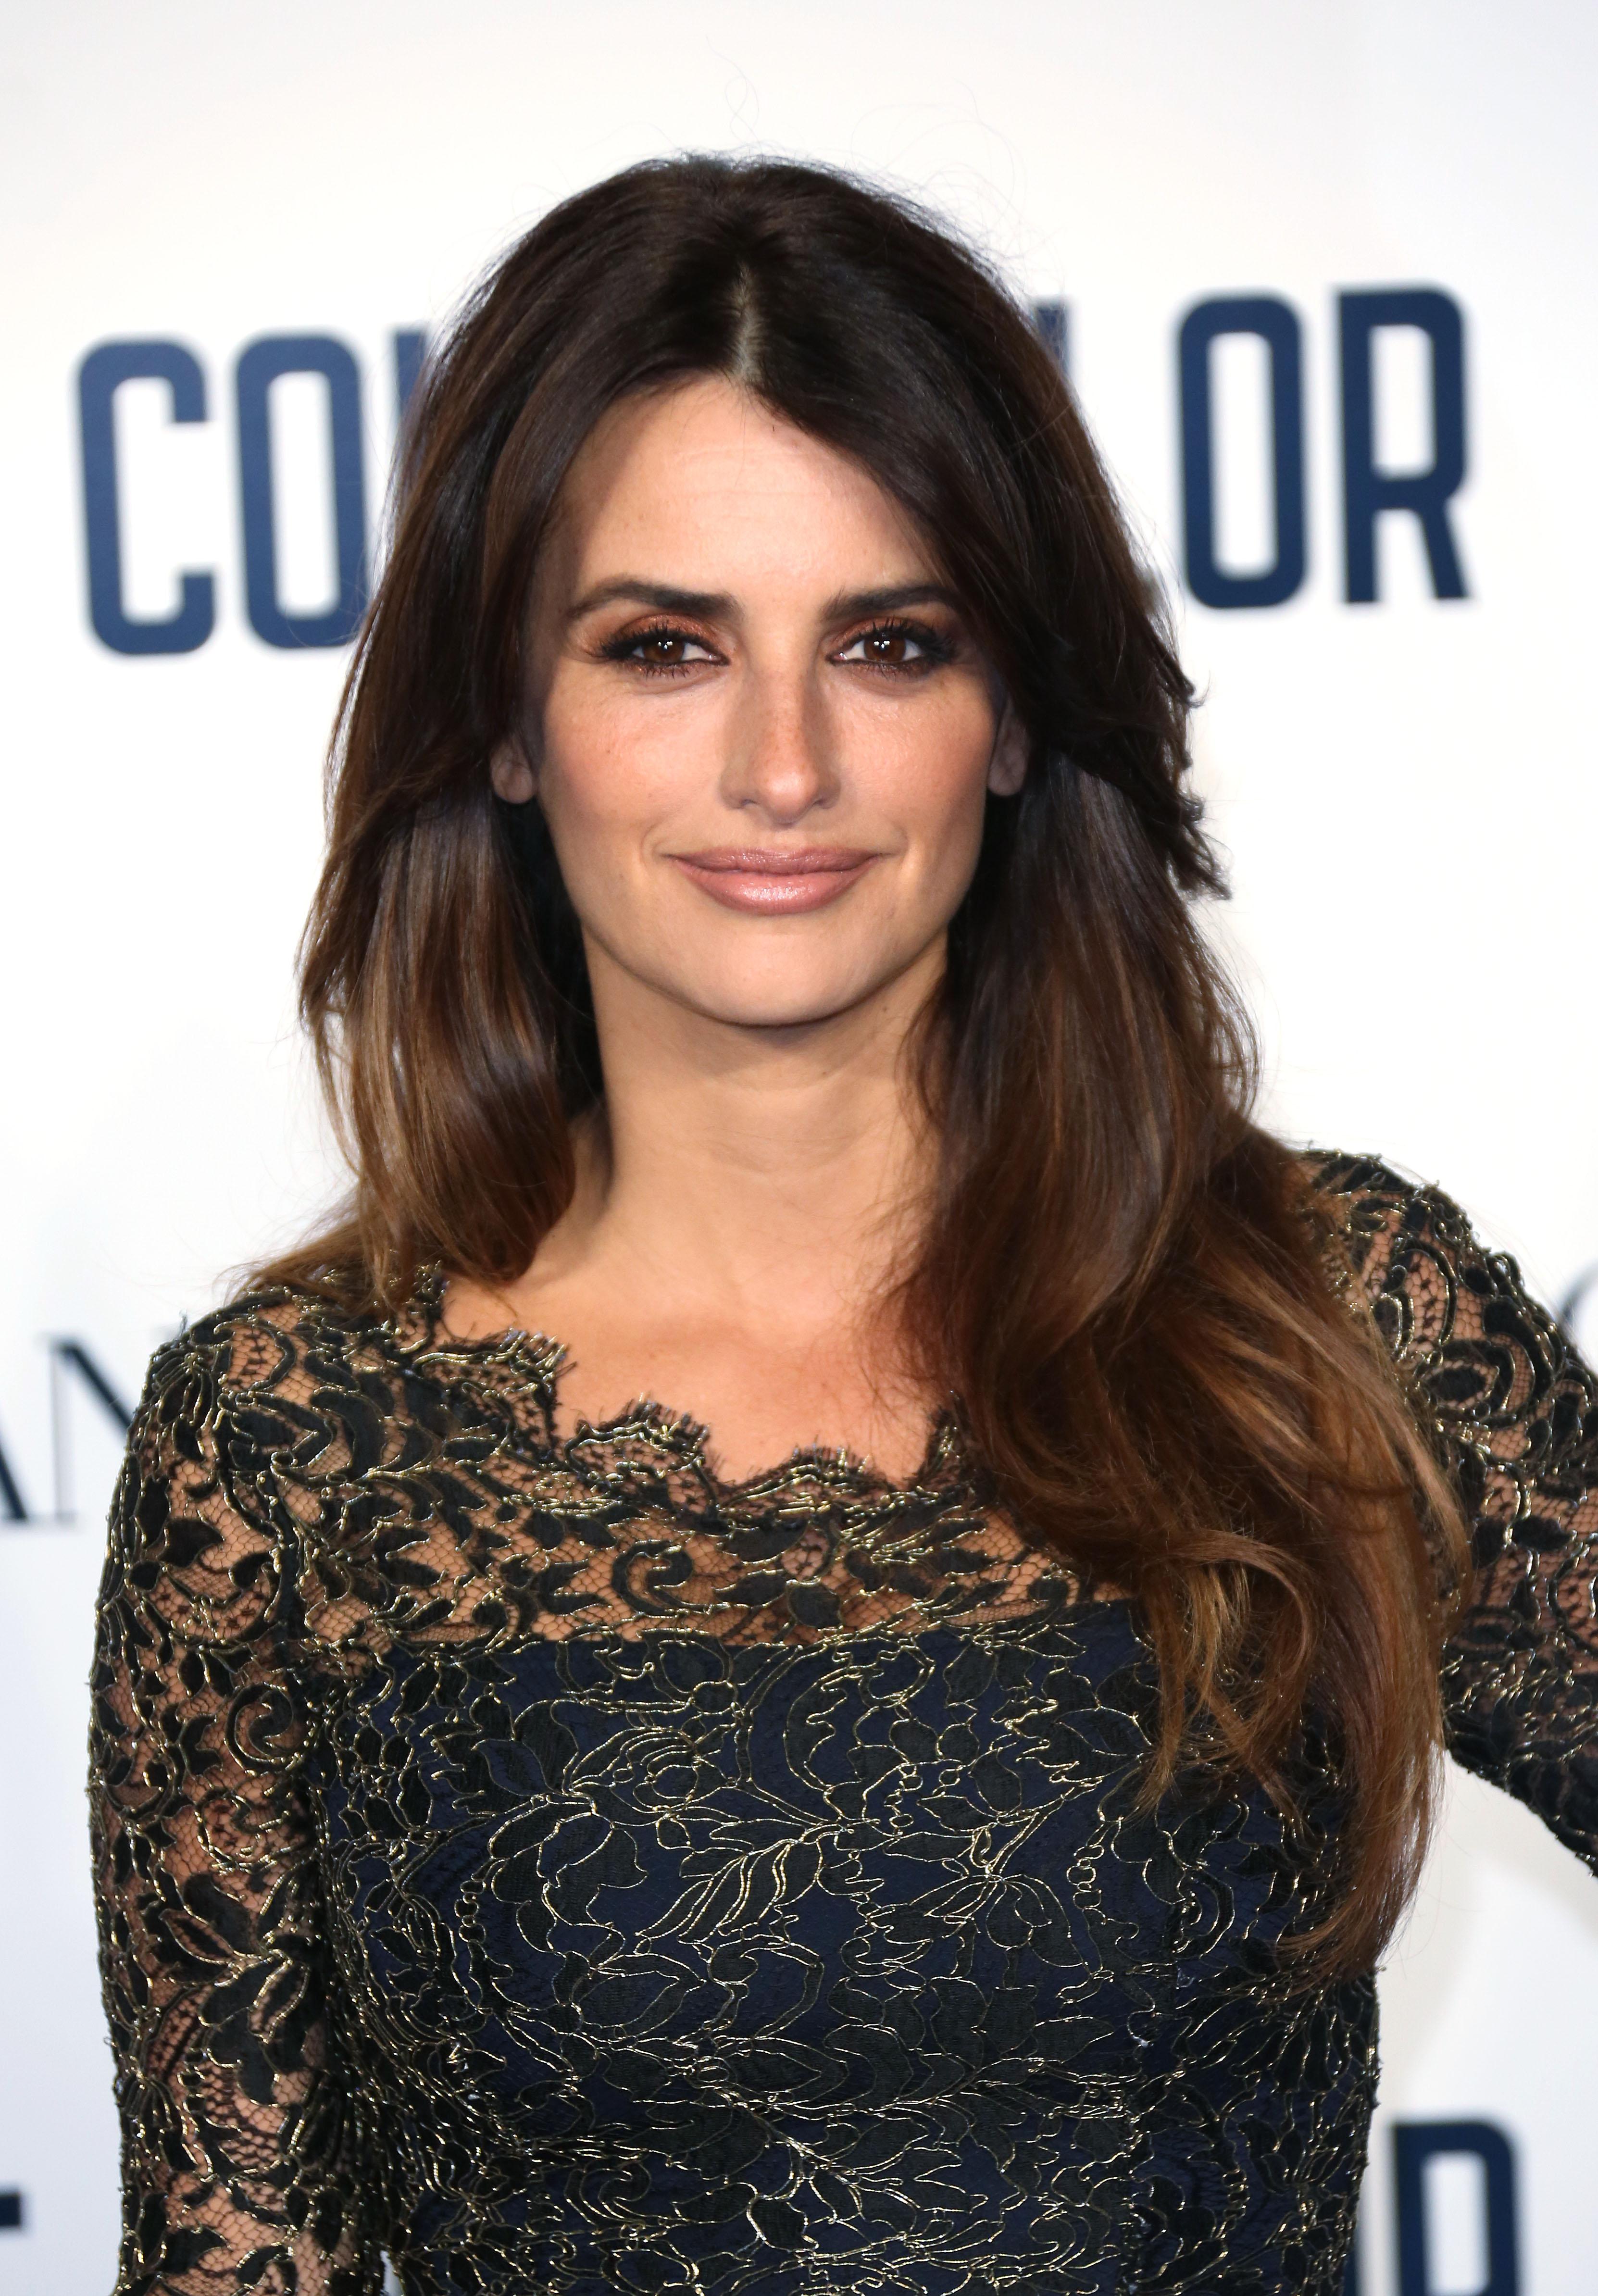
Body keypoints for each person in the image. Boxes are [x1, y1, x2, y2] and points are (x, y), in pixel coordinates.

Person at [89, 155, 1598, 2296]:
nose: (783, 764)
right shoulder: (287, 1452)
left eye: (889, 645)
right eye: (664, 647)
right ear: (507, 722)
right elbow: (235, 2254)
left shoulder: (1331, 1320)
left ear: (1014, 712)